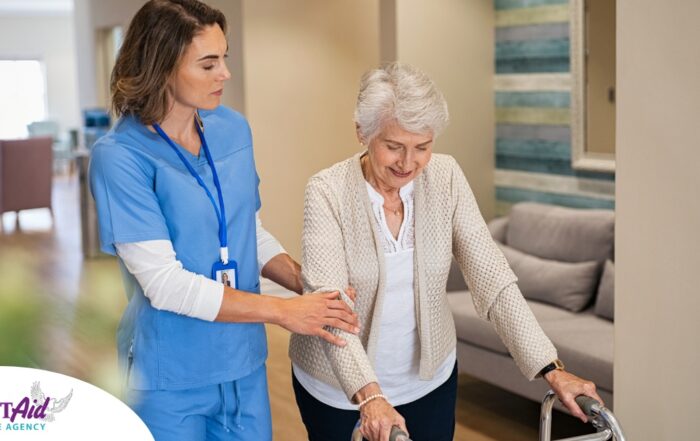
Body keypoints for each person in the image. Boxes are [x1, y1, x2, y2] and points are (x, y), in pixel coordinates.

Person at [288, 62, 603, 441]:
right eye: (394, 147)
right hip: (339, 389)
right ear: (362, 132)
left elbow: (493, 278)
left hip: (428, 380)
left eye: (423, 147)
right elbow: (330, 307)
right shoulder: (327, 191)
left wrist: (550, 367)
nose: (409, 163)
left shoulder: (446, 176)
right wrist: (370, 397)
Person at [88, 1, 359, 440]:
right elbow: (164, 283)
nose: (225, 75)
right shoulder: (120, 157)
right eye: (208, 63)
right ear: (161, 66)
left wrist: (306, 285)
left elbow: (244, 229)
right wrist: (285, 312)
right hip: (169, 375)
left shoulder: (232, 129)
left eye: (224, 58)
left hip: (242, 364)